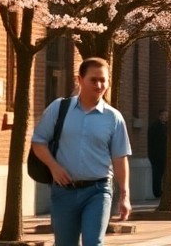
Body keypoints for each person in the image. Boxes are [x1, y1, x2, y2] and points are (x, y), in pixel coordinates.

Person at [30, 57, 132, 246]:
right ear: (80, 80)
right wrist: (54, 167)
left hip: (98, 191)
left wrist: (125, 196)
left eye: (103, 80)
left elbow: (120, 158)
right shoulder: (59, 109)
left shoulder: (114, 118)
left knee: (93, 242)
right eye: (93, 79)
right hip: (64, 192)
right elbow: (38, 142)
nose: (99, 84)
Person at [146, 109, 167, 199]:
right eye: (164, 115)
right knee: (157, 174)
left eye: (166, 116)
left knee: (162, 173)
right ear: (160, 116)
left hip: (164, 154)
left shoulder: (166, 126)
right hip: (156, 155)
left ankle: (161, 190)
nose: (165, 117)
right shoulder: (155, 127)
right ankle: (157, 192)